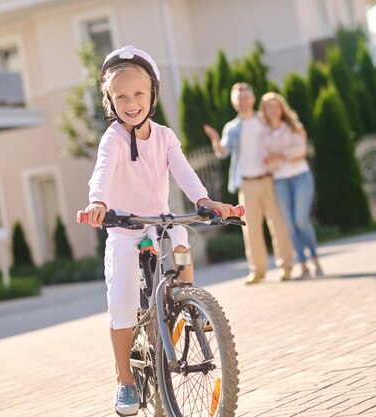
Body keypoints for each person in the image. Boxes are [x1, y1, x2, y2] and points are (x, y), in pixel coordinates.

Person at [81, 46, 233, 416]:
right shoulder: (113, 139)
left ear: (152, 96)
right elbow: (102, 172)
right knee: (122, 305)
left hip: (162, 222)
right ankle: (126, 382)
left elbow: (183, 172)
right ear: (109, 101)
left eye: (138, 94)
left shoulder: (164, 136)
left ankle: (190, 309)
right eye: (121, 96)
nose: (130, 102)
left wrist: (204, 201)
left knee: (181, 245)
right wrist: (98, 202)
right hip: (124, 227)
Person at [203, 82, 294, 285]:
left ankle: (286, 266)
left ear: (253, 99)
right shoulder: (233, 127)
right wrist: (216, 141)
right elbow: (223, 152)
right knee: (250, 228)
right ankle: (257, 270)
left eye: (246, 97)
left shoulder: (264, 121)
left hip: (269, 179)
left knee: (278, 225)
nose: (243, 101)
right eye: (239, 98)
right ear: (234, 103)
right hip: (247, 184)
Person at [259, 92, 323, 278]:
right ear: (264, 111)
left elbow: (301, 151)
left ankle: (315, 259)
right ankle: (302, 264)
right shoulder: (264, 134)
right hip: (280, 182)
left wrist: (278, 155)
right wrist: (286, 155)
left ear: (281, 108)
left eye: (275, 106)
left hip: (300, 177)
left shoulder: (294, 126)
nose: (273, 110)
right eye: (268, 107)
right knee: (290, 224)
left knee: (300, 220)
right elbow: (266, 162)